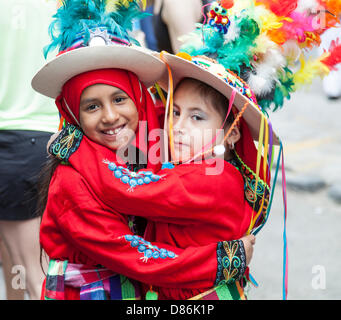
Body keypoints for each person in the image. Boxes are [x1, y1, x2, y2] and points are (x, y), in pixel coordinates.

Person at [33, 0, 254, 300]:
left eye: (120, 99)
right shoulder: (70, 183)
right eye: (92, 106)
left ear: (138, 98)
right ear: (73, 114)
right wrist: (225, 259)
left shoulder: (154, 143)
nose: (110, 116)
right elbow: (136, 255)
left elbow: (187, 114)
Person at [0, 0, 59, 300]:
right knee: (19, 269)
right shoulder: (60, 5)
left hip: (13, 142)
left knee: (33, 274)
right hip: (53, 141)